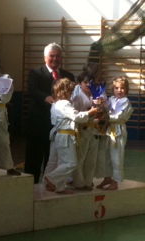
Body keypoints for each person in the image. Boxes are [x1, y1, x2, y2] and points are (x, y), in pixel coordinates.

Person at [24, 42, 75, 184]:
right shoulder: (36, 72)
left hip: (59, 127)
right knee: (33, 159)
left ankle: (51, 185)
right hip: (37, 124)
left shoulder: (68, 75)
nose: (55, 59)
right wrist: (48, 99)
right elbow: (33, 90)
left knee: (53, 160)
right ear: (45, 57)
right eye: (51, 56)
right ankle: (30, 187)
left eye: (58, 56)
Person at [44, 78, 98, 194]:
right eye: (70, 91)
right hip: (65, 136)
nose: (71, 94)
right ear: (63, 92)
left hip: (63, 135)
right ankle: (51, 178)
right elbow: (77, 116)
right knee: (71, 163)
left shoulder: (57, 103)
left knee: (63, 162)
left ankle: (60, 187)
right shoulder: (63, 104)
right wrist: (89, 112)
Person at [97, 77, 133, 190]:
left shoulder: (125, 101)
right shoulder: (111, 99)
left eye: (122, 88)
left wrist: (106, 116)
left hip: (118, 130)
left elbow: (118, 115)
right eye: (117, 88)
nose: (119, 90)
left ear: (126, 89)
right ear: (113, 89)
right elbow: (104, 107)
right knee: (104, 155)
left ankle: (116, 182)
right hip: (108, 130)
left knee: (117, 157)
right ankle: (107, 177)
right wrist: (100, 104)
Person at [71, 71, 100, 190]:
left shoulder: (96, 96)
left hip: (95, 131)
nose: (88, 84)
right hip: (83, 130)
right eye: (85, 82)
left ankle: (88, 182)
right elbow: (75, 116)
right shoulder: (77, 98)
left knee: (92, 159)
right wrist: (89, 113)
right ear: (79, 84)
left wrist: (101, 113)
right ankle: (78, 183)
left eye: (91, 82)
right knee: (81, 157)